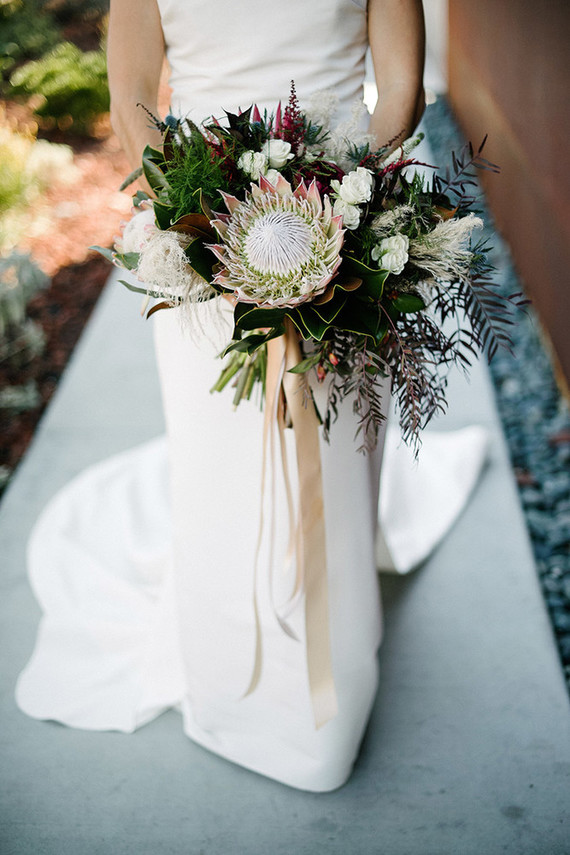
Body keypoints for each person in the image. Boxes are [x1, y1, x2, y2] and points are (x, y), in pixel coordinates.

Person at [16, 0, 487, 791]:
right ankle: (229, 670)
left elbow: (400, 89)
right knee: (218, 463)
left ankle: (332, 667)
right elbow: (133, 87)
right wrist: (192, 220)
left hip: (349, 226)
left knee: (337, 452)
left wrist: (347, 217)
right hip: (203, 233)